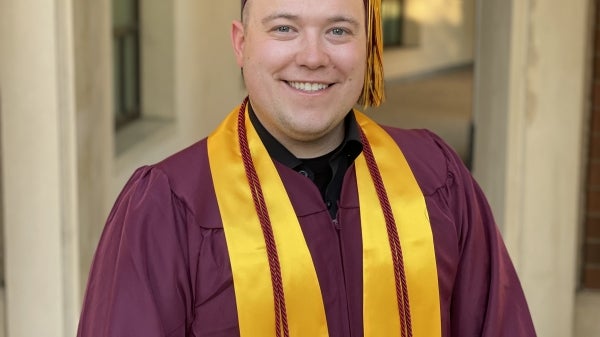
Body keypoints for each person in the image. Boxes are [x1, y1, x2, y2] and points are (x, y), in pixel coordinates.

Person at [77, 0, 537, 336]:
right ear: (241, 44)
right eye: (284, 29)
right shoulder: (167, 209)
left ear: (367, 44)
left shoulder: (436, 179)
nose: (313, 57)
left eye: (338, 31)